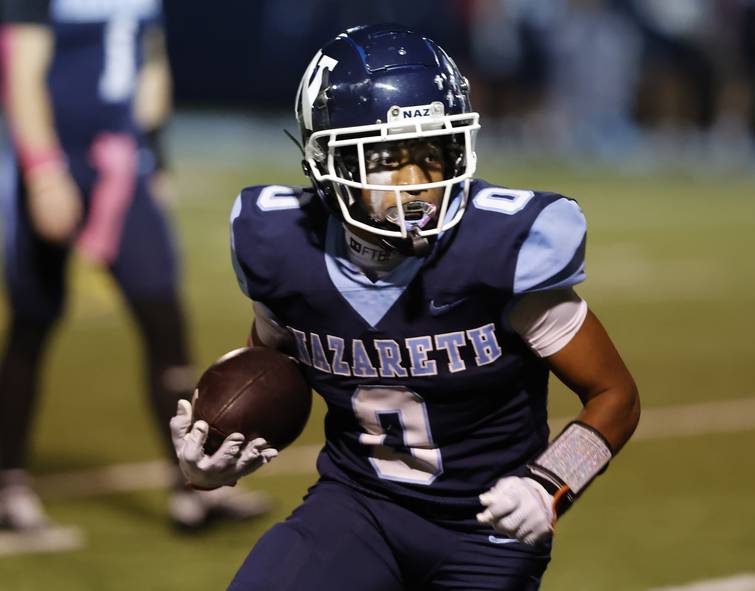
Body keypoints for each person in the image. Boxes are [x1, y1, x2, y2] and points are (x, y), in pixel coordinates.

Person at [170, 23, 640, 590]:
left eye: (435, 154)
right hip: (357, 508)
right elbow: (270, 373)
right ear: (332, 162)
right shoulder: (283, 252)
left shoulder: (499, 254)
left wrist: (550, 485)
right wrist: (215, 457)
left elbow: (615, 395)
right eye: (389, 158)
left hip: (487, 529)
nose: (417, 184)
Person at [0, 0, 268, 532]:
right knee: (33, 324)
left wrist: (155, 154)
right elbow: (21, 73)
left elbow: (151, 64)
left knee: (164, 323)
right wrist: (44, 171)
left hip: (122, 168)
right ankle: (8, 485)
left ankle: (192, 486)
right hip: (60, 162)